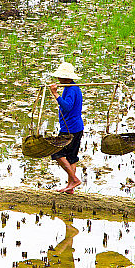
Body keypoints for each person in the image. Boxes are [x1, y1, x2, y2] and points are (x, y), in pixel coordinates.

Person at [48, 61, 83, 194]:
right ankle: (70, 187)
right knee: (71, 157)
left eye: (60, 76)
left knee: (56, 152)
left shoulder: (71, 89)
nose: (58, 78)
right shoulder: (72, 87)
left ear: (66, 77)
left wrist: (55, 94)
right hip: (76, 127)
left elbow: (67, 107)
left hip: (70, 129)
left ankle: (73, 180)